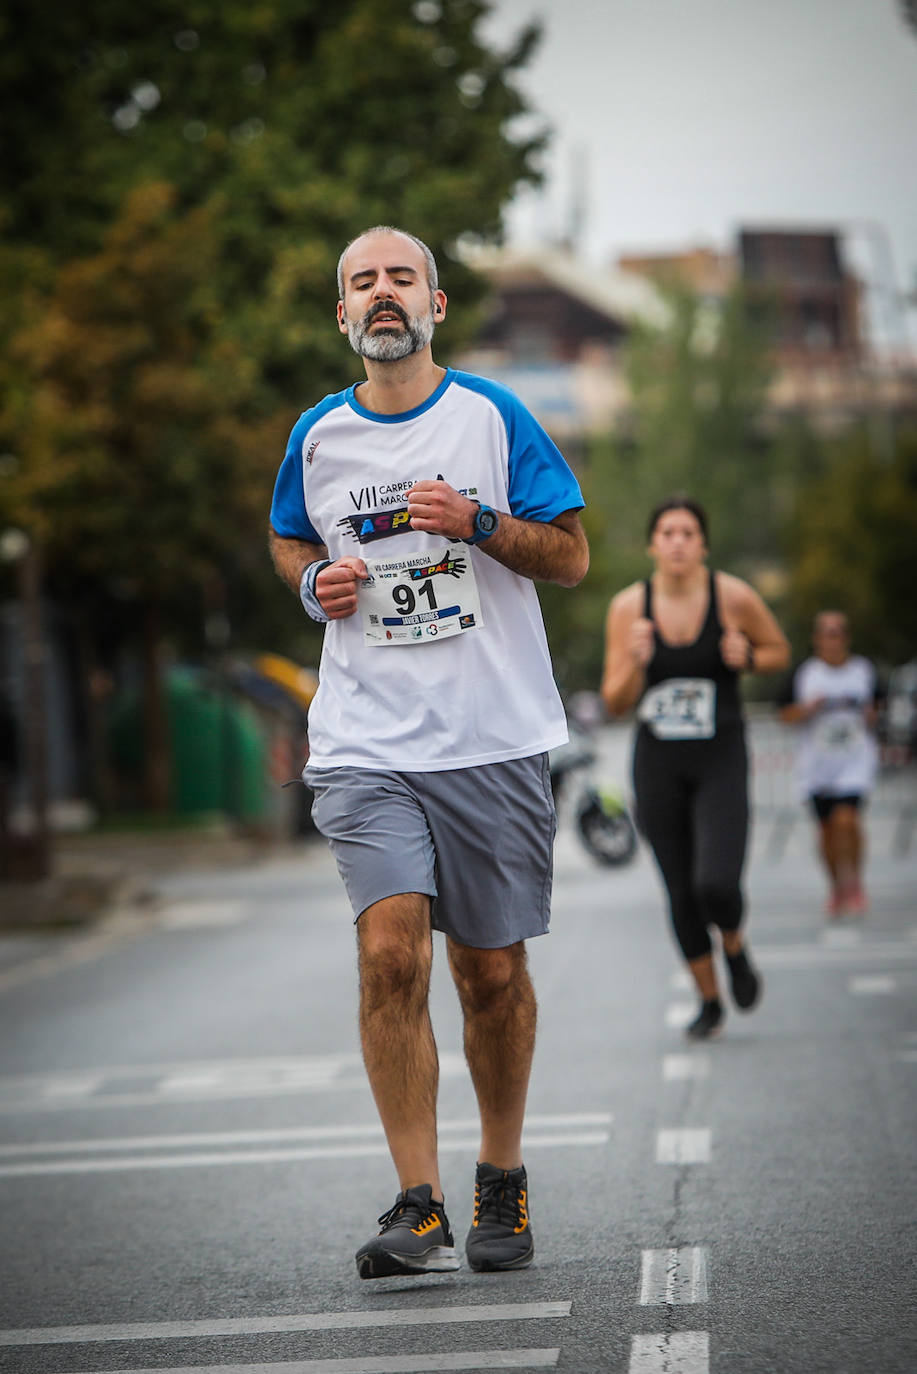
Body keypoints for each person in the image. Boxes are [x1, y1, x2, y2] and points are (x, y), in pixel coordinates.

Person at [268, 226, 589, 1279]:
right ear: (343, 316)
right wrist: (312, 584)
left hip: (488, 736)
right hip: (365, 737)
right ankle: (418, 1201)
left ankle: (501, 1177)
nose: (382, 294)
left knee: (487, 973)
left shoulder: (491, 417)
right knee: (389, 952)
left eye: (400, 276)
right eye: (360, 281)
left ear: (435, 304)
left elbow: (572, 555)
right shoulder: (318, 436)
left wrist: (480, 522)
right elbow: (288, 539)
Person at [600, 497, 789, 1040]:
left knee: (716, 882)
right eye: (667, 532)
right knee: (680, 890)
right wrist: (636, 663)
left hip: (719, 756)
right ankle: (709, 1001)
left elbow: (779, 650)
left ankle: (733, 942)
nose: (678, 541)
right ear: (652, 545)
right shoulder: (628, 608)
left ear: (703, 544)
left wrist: (748, 657)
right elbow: (615, 702)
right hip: (658, 762)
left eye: (688, 532)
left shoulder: (732, 597)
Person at [778, 611, 881, 916]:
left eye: (838, 633)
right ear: (817, 639)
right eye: (826, 633)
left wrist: (871, 716)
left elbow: (878, 709)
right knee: (825, 831)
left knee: (847, 821)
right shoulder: (805, 674)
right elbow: (784, 715)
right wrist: (808, 709)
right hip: (818, 765)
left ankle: (855, 882)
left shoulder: (863, 671)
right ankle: (835, 885)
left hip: (854, 762)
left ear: (846, 638)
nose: (832, 639)